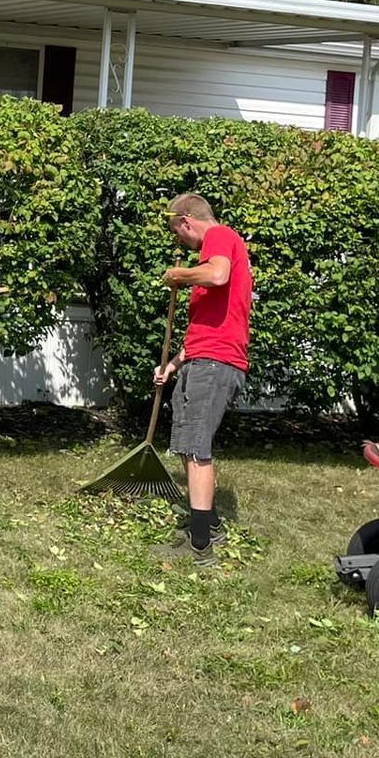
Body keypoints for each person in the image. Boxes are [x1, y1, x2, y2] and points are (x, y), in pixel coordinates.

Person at [152, 193, 253, 564]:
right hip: (201, 360)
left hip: (215, 364)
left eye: (177, 232)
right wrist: (173, 365)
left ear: (186, 221)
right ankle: (208, 525)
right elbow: (201, 332)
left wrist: (178, 275)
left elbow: (218, 274)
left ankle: (199, 546)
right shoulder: (207, 260)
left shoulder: (220, 237)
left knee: (196, 451)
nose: (180, 240)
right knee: (186, 445)